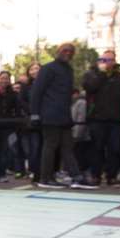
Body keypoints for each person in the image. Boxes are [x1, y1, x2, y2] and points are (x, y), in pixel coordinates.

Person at [30, 43, 78, 188]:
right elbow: (36, 92)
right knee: (50, 146)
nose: (68, 53)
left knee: (67, 147)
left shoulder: (68, 69)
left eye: (71, 51)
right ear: (58, 51)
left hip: (64, 115)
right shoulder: (48, 68)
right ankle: (45, 178)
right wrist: (35, 114)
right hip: (50, 114)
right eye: (65, 50)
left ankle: (76, 175)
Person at [81, 50, 120, 185]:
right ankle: (95, 175)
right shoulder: (91, 74)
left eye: (110, 60)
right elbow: (90, 87)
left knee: (115, 148)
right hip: (97, 118)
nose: (107, 63)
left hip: (116, 119)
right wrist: (102, 73)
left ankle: (112, 175)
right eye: (104, 60)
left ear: (114, 62)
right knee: (97, 148)